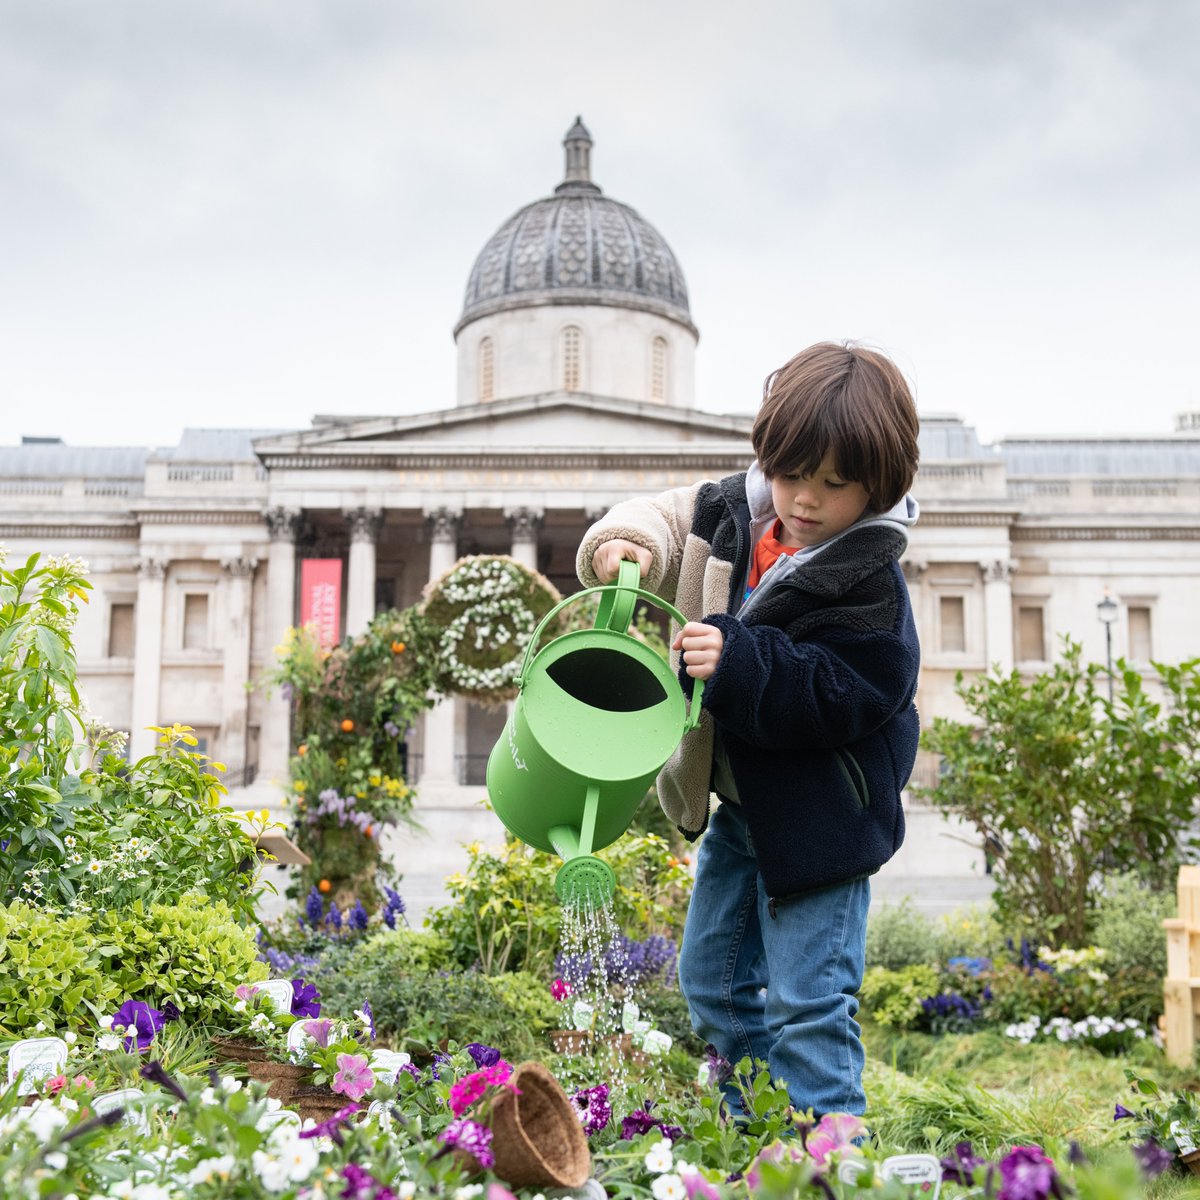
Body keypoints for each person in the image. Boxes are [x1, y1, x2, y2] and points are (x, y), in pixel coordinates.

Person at [576, 341, 921, 1118]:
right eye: (792, 474)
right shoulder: (738, 508)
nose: (804, 499)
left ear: (877, 486)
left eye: (834, 486)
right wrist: (624, 544)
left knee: (808, 1007)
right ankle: (761, 1140)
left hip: (824, 825)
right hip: (742, 811)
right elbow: (664, 515)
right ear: (770, 457)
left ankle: (835, 1166)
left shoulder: (870, 582)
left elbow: (849, 692)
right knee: (714, 988)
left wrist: (737, 658)